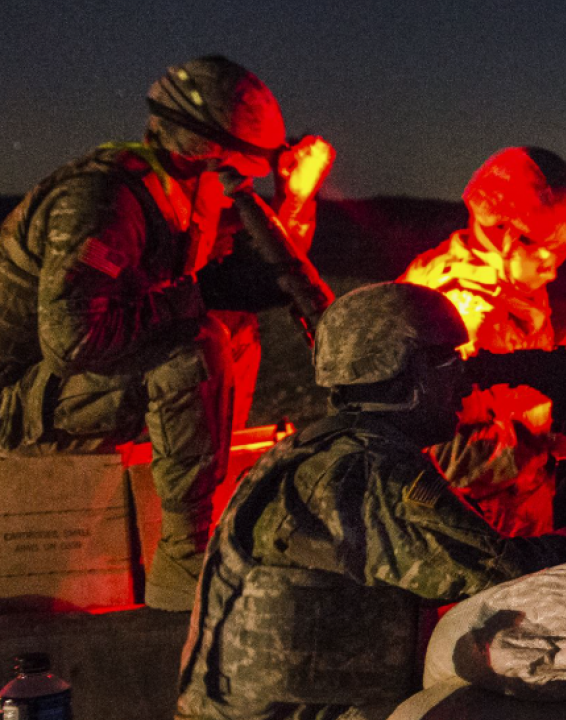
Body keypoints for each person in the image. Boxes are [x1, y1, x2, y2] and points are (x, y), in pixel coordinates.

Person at [0, 55, 332, 611]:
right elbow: (74, 342)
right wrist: (200, 293)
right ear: (209, 149)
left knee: (234, 331)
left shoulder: (180, 192)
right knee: (195, 344)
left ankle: (198, 504)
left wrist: (294, 197)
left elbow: (274, 264)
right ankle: (183, 560)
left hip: (64, 387)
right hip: (16, 401)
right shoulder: (102, 199)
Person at [175, 282, 566, 720]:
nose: (465, 383)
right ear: (406, 371)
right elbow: (505, 575)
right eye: (447, 361)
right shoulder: (372, 471)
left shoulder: (313, 453)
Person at [400, 147, 566, 536]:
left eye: (562, 256)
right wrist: (549, 421)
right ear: (500, 233)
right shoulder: (452, 313)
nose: (552, 272)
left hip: (516, 512)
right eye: (545, 255)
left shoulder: (511, 286)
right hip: (470, 531)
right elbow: (447, 464)